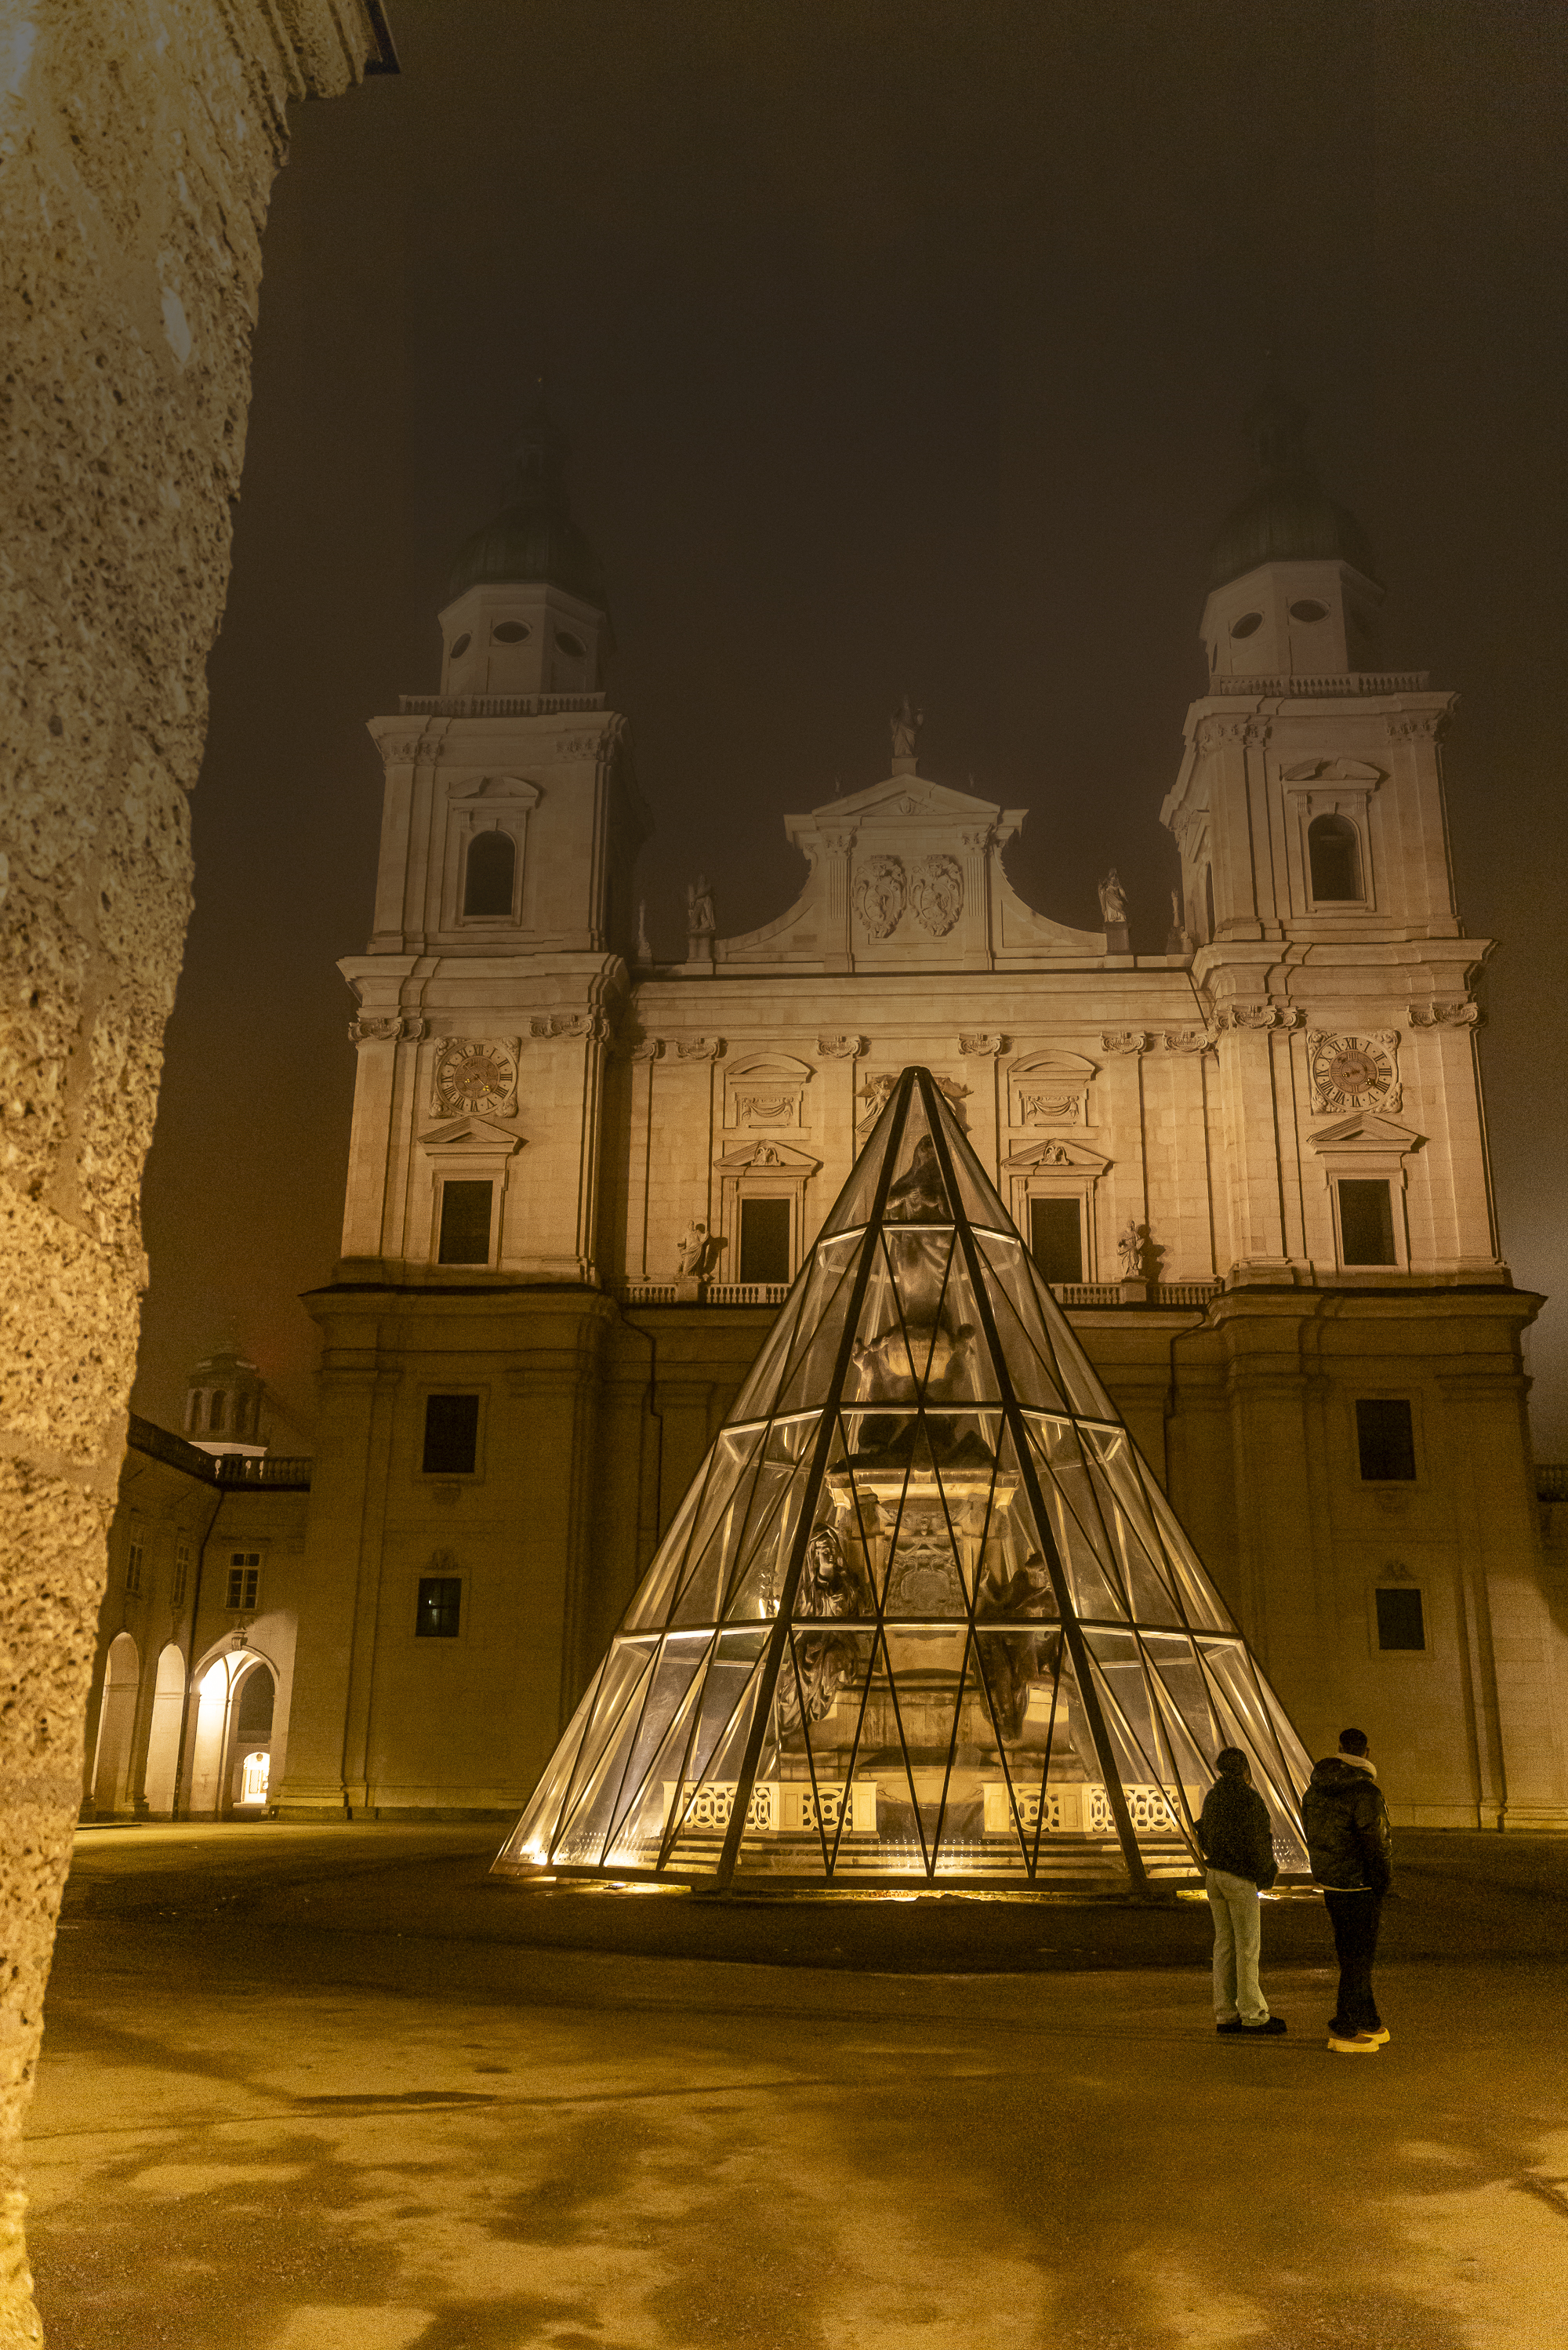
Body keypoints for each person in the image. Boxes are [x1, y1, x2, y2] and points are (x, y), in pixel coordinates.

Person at [1301, 1727, 1393, 2054]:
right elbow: (1377, 1845)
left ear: (1339, 1749)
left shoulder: (1314, 1791)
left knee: (1350, 1954)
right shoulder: (1367, 1794)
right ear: (1366, 1753)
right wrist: (1381, 1882)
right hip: (1360, 1885)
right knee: (1359, 1958)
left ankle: (1368, 2019)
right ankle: (1344, 2027)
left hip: (1332, 1884)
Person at [1196, 1747, 1285, 2036]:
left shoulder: (1214, 1796)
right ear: (1245, 1769)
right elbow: (1258, 1842)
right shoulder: (1249, 1799)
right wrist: (1265, 1874)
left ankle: (1225, 2014)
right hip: (1239, 1877)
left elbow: (1205, 1833)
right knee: (1248, 1947)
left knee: (1224, 1945)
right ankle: (1254, 2015)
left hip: (1216, 1875)